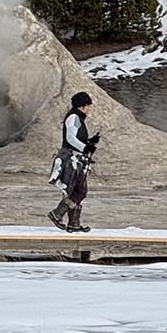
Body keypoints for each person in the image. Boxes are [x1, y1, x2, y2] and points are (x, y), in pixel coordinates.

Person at [49, 91, 100, 232]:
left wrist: (90, 142)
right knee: (80, 190)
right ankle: (57, 213)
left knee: (76, 189)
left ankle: (74, 223)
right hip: (71, 158)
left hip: (76, 158)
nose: (90, 108)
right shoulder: (73, 118)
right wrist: (86, 147)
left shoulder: (77, 117)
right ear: (83, 106)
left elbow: (75, 138)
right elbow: (70, 138)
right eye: (89, 105)